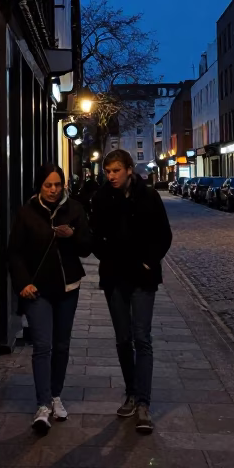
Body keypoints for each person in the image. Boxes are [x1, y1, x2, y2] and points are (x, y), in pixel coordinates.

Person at [90, 149, 172, 434]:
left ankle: (143, 403)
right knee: (123, 338)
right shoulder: (101, 198)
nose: (111, 176)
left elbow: (164, 234)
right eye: (107, 171)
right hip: (115, 278)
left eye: (115, 170)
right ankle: (131, 392)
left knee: (142, 337)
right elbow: (95, 236)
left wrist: (149, 261)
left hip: (143, 278)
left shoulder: (148, 196)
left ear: (128, 169)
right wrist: (107, 256)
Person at [8, 162, 92, 434]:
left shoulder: (75, 209)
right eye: (48, 185)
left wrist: (72, 235)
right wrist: (23, 283)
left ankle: (56, 395)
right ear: (40, 186)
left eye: (57, 184)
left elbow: (86, 247)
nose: (54, 190)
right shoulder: (27, 212)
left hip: (68, 287)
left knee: (61, 345)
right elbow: (15, 252)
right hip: (38, 290)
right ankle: (42, 405)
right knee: (43, 345)